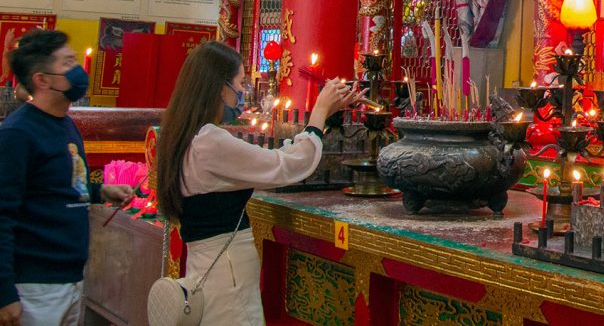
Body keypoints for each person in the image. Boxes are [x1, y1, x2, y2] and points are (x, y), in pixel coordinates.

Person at [155, 42, 361, 325]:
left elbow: (269, 160)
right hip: (226, 274)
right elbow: (285, 166)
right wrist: (319, 113)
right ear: (219, 87)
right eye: (240, 83)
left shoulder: (183, 134)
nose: (242, 93)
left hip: (206, 265)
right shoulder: (210, 141)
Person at [0, 29, 135, 326]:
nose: (76, 71)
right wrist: (4, 293)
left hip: (70, 278)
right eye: (67, 63)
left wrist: (100, 190)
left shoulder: (66, 125)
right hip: (34, 285)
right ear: (42, 80)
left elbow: (60, 185)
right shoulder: (18, 134)